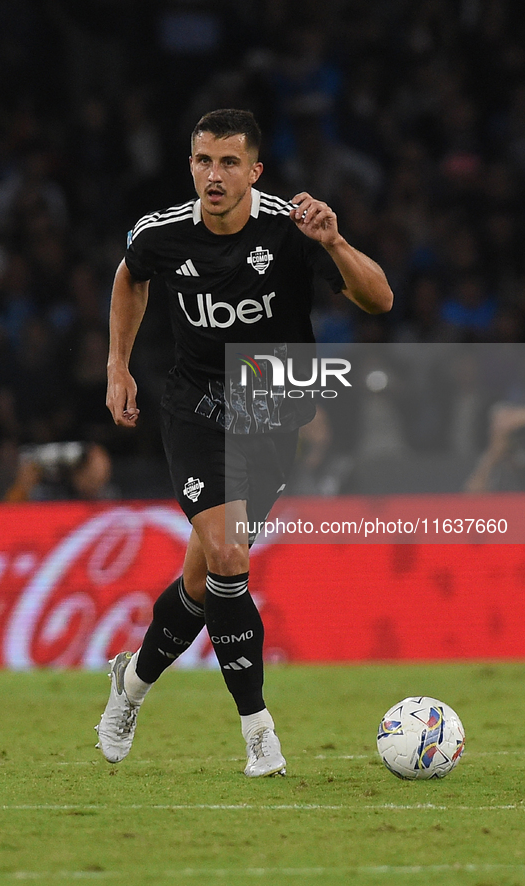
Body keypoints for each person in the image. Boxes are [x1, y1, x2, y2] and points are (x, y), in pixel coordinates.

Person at [96, 109, 393, 777]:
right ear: (191, 165)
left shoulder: (291, 229)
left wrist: (337, 242)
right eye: (203, 160)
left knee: (204, 579)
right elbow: (130, 275)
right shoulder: (162, 233)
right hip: (195, 405)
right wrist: (117, 362)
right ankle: (258, 732)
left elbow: (379, 300)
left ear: (255, 171)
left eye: (229, 162)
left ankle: (132, 684)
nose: (214, 174)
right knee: (229, 555)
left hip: (270, 403)